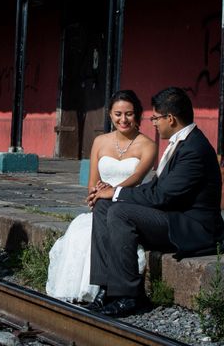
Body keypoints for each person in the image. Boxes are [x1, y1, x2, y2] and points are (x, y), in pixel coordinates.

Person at [86, 86, 224, 317]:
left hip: (192, 228)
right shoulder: (180, 142)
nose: (153, 123)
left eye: (156, 118)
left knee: (120, 212)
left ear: (170, 118)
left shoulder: (194, 149)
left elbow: (162, 196)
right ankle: (107, 288)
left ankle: (129, 296)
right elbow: (156, 187)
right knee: (103, 206)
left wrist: (117, 192)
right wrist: (110, 193)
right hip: (171, 216)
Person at [46, 90, 157, 303]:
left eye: (129, 114)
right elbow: (92, 182)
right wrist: (96, 194)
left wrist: (111, 191)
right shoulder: (100, 142)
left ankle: (107, 288)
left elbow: (135, 178)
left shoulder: (148, 145)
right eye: (118, 114)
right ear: (110, 115)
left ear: (139, 115)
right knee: (81, 235)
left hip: (128, 204)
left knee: (105, 224)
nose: (123, 119)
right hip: (100, 204)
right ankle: (102, 288)